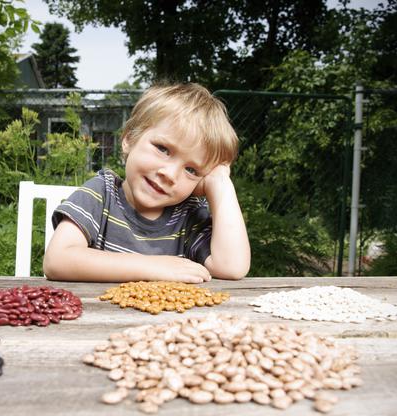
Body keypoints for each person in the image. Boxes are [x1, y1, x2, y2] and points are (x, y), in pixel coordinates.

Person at [43, 83, 250, 283]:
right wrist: (154, 267)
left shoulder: (188, 214)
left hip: (169, 319)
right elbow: (57, 260)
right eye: (162, 148)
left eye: (191, 170)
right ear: (129, 139)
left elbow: (231, 267)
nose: (170, 174)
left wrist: (220, 182)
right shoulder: (101, 194)